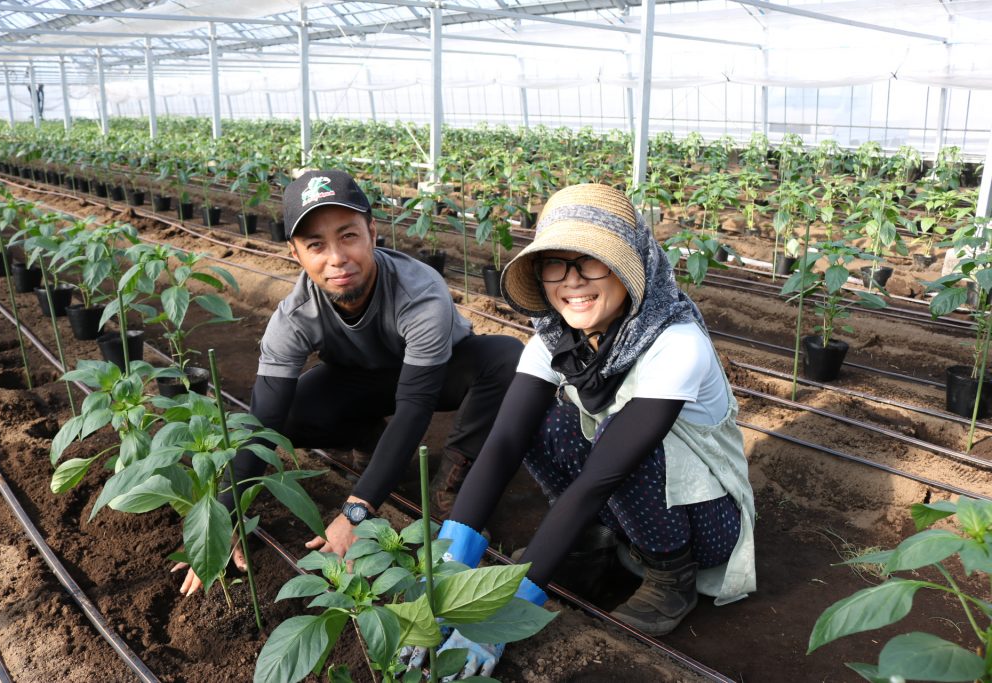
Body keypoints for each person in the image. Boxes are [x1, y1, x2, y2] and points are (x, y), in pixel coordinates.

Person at [426, 183, 757, 678]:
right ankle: (596, 539)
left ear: (631, 266)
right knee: (543, 421)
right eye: (556, 264)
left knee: (618, 440)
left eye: (591, 262)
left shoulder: (676, 342)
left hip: (705, 521)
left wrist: (508, 609)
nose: (572, 282)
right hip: (625, 496)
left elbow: (601, 475)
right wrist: (449, 567)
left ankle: (670, 574)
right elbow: (504, 443)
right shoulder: (557, 337)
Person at [175, 169, 522, 595]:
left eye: (348, 236)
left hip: (439, 373)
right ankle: (366, 437)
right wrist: (223, 518)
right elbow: (262, 420)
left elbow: (415, 409)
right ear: (295, 253)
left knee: (506, 358)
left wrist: (356, 511)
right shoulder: (294, 315)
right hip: (361, 382)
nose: (336, 257)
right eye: (316, 245)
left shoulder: (419, 293)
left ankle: (455, 482)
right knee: (288, 416)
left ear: (373, 232)